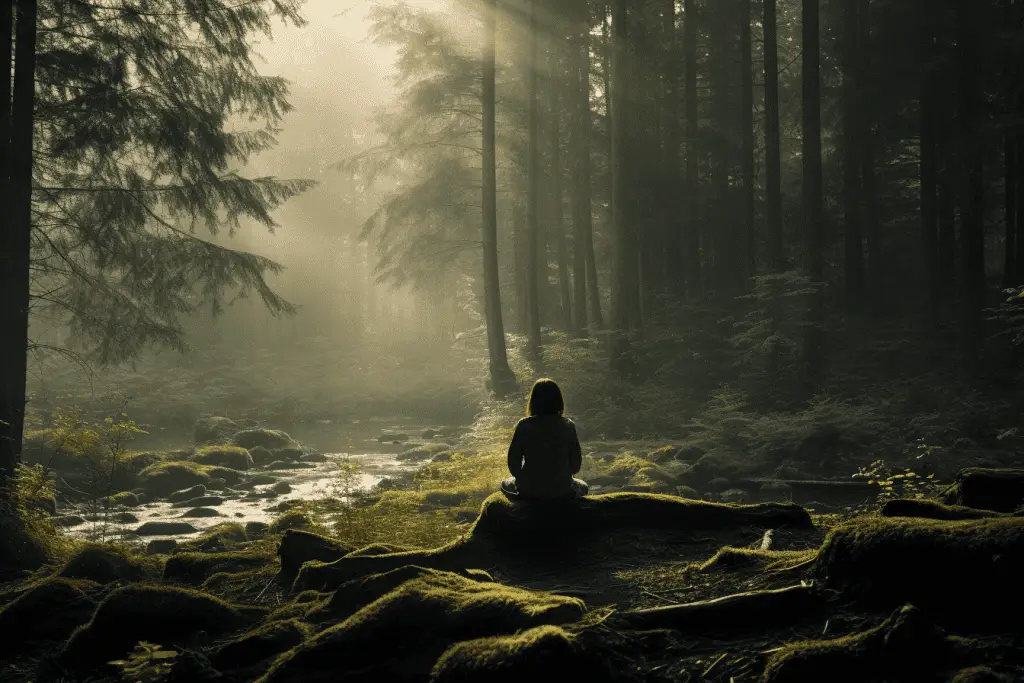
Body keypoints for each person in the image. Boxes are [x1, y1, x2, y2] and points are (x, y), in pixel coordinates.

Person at [501, 378, 589, 500]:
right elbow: (576, 466)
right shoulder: (568, 425)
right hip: (562, 492)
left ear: (533, 401)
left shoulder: (524, 425)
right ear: (558, 401)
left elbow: (513, 464)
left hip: (530, 491)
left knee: (504, 484)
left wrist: (525, 482)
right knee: (583, 486)